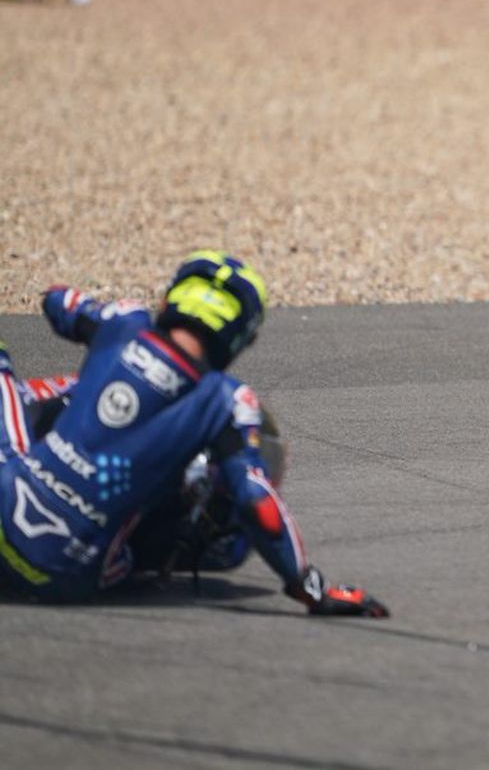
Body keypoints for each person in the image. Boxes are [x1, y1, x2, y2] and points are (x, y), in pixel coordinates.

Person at [0, 251, 387, 616]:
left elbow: (57, 301)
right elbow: (258, 501)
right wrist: (310, 588)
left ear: (170, 301)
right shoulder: (228, 402)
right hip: (68, 576)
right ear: (240, 335)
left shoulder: (124, 324)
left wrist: (79, 305)